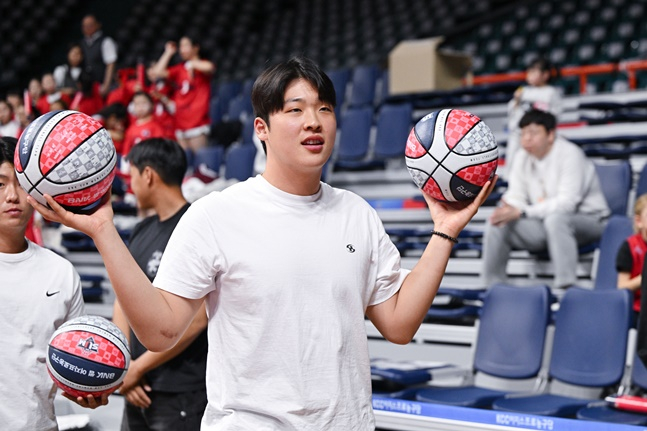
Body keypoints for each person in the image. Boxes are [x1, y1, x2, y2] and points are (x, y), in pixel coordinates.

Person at [28, 56, 495, 430]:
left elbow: (399, 325)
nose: (314, 122)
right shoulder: (216, 213)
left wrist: (445, 231)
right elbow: (160, 332)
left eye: (324, 109)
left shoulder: (357, 214)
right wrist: (104, 231)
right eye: (295, 110)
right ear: (261, 128)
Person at [0, 136, 108, 430]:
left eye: (21, 185)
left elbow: (76, 361)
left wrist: (87, 387)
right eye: (0, 184)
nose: (12, 196)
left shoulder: (60, 272)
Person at [112, 138, 208, 431]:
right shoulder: (142, 229)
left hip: (179, 390)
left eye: (133, 175)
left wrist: (137, 369)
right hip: (135, 385)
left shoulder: (198, 225)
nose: (130, 187)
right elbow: (123, 299)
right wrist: (125, 367)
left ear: (148, 175)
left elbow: (198, 317)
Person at [482, 109, 610, 290]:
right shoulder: (521, 156)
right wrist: (508, 208)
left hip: (591, 221)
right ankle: (491, 287)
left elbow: (567, 204)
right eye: (523, 134)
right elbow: (517, 194)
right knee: (498, 222)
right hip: (545, 222)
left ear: (550, 134)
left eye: (533, 133)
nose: (527, 139)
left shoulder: (570, 154)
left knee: (556, 219)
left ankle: (565, 285)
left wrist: (522, 211)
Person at [149, 35, 214, 152]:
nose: (182, 49)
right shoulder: (180, 69)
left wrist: (192, 64)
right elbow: (158, 72)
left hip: (197, 122)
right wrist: (168, 52)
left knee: (201, 161)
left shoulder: (201, 67)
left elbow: (210, 67)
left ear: (195, 48)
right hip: (180, 121)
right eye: (181, 46)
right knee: (184, 161)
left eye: (185, 45)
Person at [505, 57, 562, 176]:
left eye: (533, 72)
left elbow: (555, 115)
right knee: (513, 163)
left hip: (538, 136)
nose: (529, 75)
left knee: (536, 165)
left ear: (545, 75)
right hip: (518, 134)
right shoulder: (523, 91)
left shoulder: (551, 92)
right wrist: (516, 99)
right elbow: (512, 110)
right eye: (529, 72)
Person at [616, 194, 647, 317]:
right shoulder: (630, 246)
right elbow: (622, 286)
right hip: (636, 309)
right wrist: (643, 278)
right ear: (638, 221)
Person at [80, 14, 118, 98]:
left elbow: (111, 64)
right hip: (89, 88)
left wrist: (106, 85)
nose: (87, 28)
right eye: (85, 26)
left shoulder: (106, 41)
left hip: (103, 86)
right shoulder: (82, 43)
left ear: (98, 25)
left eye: (90, 25)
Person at [122, 92, 168, 157]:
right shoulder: (131, 128)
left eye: (143, 103)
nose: (140, 107)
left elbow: (160, 147)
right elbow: (126, 149)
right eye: (137, 104)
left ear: (152, 105)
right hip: (135, 160)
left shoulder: (156, 126)